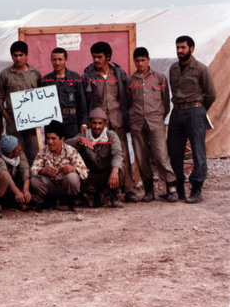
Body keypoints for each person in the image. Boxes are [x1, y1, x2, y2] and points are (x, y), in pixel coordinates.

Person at [82, 42, 136, 202]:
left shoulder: (118, 73)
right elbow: (84, 101)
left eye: (99, 57)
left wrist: (127, 118)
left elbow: (126, 97)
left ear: (108, 57)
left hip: (117, 121)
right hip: (98, 125)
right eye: (94, 57)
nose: (96, 60)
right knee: (101, 157)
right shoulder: (88, 76)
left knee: (122, 154)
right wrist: (85, 123)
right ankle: (106, 190)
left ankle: (128, 190)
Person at [167, 36, 216, 203]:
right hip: (177, 112)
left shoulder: (201, 69)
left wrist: (200, 111)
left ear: (192, 48)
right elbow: (173, 90)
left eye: (183, 47)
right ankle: (178, 189)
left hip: (195, 111)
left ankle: (196, 189)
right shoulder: (173, 68)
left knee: (198, 152)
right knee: (174, 151)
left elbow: (211, 94)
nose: (179, 50)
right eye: (177, 47)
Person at [126, 47, 178, 202]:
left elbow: (165, 101)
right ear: (134, 61)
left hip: (156, 122)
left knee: (161, 155)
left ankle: (171, 188)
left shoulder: (159, 77)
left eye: (143, 60)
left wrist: (160, 116)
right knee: (141, 158)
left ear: (148, 59)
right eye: (137, 61)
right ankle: (149, 191)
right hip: (137, 123)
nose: (140, 64)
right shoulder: (130, 81)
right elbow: (129, 101)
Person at [65, 109, 125, 208]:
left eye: (100, 123)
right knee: (74, 171)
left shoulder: (111, 135)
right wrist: (78, 140)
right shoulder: (84, 135)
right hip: (90, 175)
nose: (97, 126)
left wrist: (114, 171)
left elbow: (118, 153)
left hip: (107, 174)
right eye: (94, 123)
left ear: (105, 124)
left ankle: (114, 196)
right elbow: (65, 146)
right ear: (89, 123)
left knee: (119, 166)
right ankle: (89, 196)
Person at [0, 41, 42, 161]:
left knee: (34, 151)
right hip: (13, 120)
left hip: (32, 120)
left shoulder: (35, 73)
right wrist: (7, 118)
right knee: (15, 152)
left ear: (26, 55)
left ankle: (34, 173)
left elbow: (41, 96)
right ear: (11, 56)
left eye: (21, 55)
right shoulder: (5, 74)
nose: (18, 58)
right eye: (15, 55)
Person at [30, 121, 88, 211]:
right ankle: (49, 202)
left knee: (72, 177)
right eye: (48, 138)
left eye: (53, 138)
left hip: (66, 186)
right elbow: (33, 169)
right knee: (35, 180)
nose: (50, 142)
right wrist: (43, 171)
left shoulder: (70, 150)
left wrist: (73, 169)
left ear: (62, 139)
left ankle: (71, 201)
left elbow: (84, 171)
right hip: (51, 187)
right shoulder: (43, 151)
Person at [40, 47, 88, 139]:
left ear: (66, 60)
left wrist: (83, 123)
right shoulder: (45, 80)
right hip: (52, 122)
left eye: (60, 59)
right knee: (53, 146)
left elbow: (82, 103)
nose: (57, 62)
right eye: (54, 59)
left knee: (72, 146)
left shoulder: (75, 78)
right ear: (51, 60)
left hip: (71, 122)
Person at [0, 136, 32, 207]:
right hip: (5, 185)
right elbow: (8, 179)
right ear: (10, 154)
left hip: (15, 182)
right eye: (17, 148)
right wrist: (17, 192)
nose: (20, 148)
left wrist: (25, 190)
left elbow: (25, 170)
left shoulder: (19, 153)